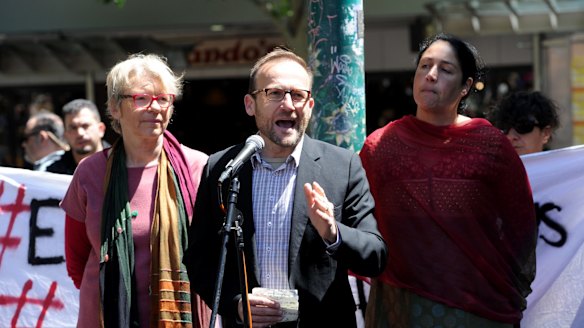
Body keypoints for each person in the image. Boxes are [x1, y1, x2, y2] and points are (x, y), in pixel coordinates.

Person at [184, 47, 387, 328]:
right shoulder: (223, 168)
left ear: (310, 105)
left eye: (298, 95)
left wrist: (332, 232)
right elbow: (199, 259)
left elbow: (375, 256)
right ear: (250, 104)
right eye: (275, 93)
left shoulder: (342, 166)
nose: (288, 105)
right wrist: (236, 305)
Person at [359, 33, 537, 327]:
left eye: (445, 69)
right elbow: (360, 223)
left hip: (479, 308)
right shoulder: (380, 146)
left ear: (466, 86)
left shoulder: (491, 146)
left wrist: (501, 288)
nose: (431, 75)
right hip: (401, 306)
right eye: (424, 66)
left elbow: (521, 228)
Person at [60, 53, 212, 327]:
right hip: (105, 317)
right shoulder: (90, 172)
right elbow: (77, 260)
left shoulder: (198, 167)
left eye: (163, 98)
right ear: (115, 108)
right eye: (142, 98)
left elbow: (213, 254)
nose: (155, 108)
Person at [489, 90, 560, 155]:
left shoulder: (563, 168)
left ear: (545, 133)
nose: (510, 137)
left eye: (522, 126)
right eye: (503, 128)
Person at [47, 98, 108, 174]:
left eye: (85, 126)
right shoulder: (54, 174)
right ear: (65, 134)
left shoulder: (120, 163)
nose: (80, 133)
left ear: (101, 129)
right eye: (73, 128)